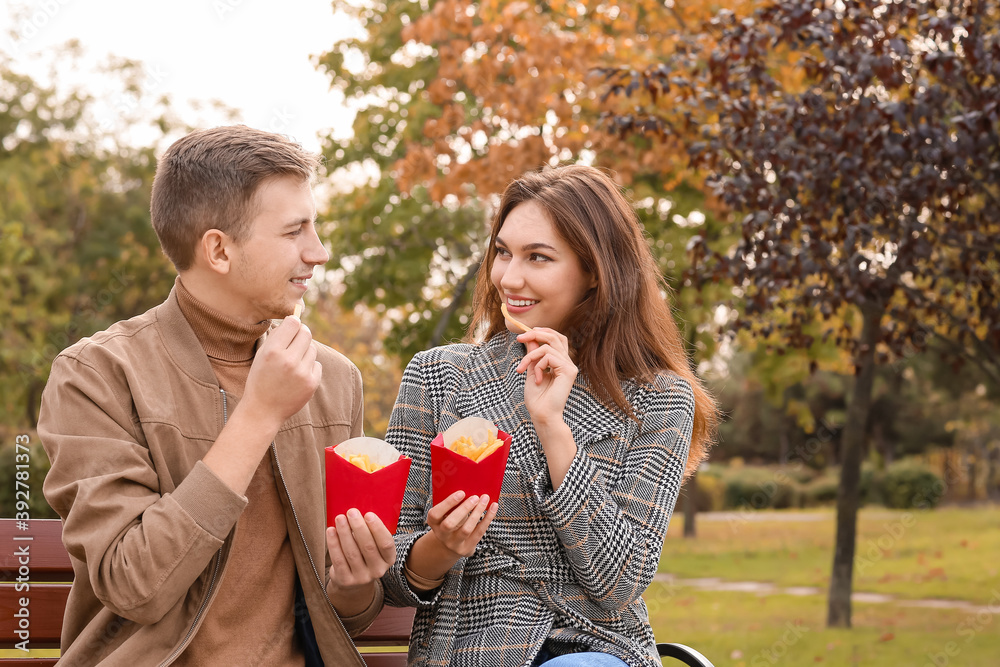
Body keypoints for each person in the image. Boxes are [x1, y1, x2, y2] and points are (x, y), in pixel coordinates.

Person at [38, 125, 395, 666]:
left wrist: (354, 582)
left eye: (314, 228)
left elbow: (344, 612)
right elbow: (136, 585)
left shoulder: (333, 378)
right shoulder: (95, 376)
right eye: (294, 231)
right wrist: (258, 415)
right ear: (219, 251)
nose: (318, 252)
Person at [381, 164, 718, 667]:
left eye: (538, 257)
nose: (509, 278)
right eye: (502, 252)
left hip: (596, 650)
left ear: (595, 272)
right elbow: (391, 571)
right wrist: (443, 546)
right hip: (470, 650)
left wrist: (552, 428)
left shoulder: (661, 398)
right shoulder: (438, 376)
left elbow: (620, 584)